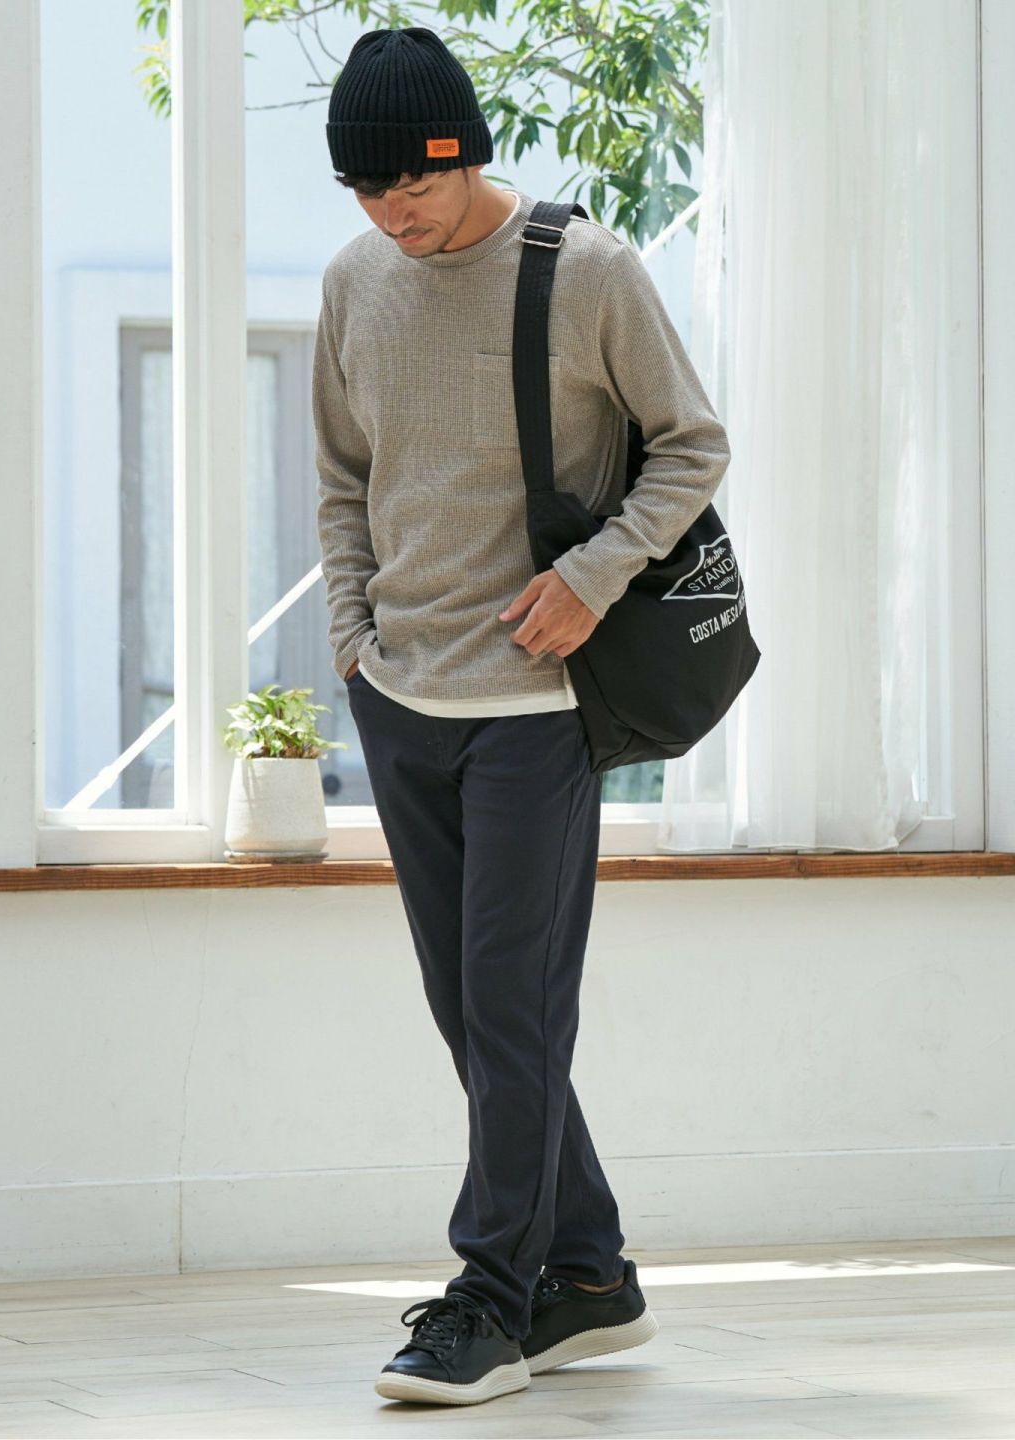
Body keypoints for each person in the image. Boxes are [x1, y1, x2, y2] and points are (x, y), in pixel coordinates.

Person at [312, 25, 730, 1407]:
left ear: (466, 153)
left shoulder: (586, 269)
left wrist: (594, 578)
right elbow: (342, 475)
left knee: (508, 1005)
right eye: (366, 190)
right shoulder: (354, 280)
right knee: (479, 1010)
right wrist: (352, 639)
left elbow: (693, 444)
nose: (393, 214)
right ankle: (591, 1275)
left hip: (539, 705)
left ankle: (490, 1301)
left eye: (414, 185)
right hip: (401, 695)